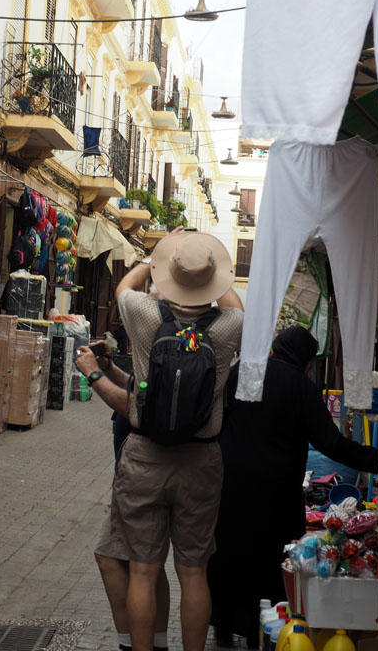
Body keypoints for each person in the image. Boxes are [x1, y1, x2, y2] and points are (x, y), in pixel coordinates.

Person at [76, 229, 244, 651]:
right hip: (202, 460)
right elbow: (234, 303)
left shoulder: (145, 315)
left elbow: (124, 285)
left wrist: (158, 255)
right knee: (193, 572)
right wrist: (209, 268)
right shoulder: (228, 329)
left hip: (145, 457)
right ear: (212, 280)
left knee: (143, 570)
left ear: (168, 275)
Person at [208, 326, 378, 648]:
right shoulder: (302, 386)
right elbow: (329, 442)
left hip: (231, 483)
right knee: (271, 556)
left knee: (229, 550)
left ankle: (222, 621)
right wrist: (375, 458)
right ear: (305, 359)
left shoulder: (243, 371)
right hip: (275, 490)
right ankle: (259, 627)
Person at [84, 342, 170, 651]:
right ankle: (155, 643)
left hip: (140, 475)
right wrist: (110, 369)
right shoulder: (169, 346)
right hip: (148, 471)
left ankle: (130, 644)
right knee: (150, 566)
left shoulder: (164, 343)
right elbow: (136, 387)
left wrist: (94, 375)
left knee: (117, 559)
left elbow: (133, 406)